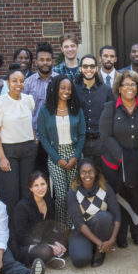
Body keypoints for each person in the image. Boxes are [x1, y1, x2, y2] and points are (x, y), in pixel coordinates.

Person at [99, 70, 138, 246]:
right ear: (119, 88)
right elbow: (105, 135)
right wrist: (121, 155)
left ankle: (137, 232)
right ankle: (120, 234)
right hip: (115, 161)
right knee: (119, 197)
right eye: (126, 84)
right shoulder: (110, 107)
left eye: (133, 84)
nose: (129, 87)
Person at [0, 64, 38, 213]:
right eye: (14, 81)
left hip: (28, 149)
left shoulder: (28, 100)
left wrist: (34, 140)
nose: (19, 84)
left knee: (27, 190)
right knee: (10, 193)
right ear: (8, 83)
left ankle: (27, 228)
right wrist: (2, 157)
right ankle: (11, 231)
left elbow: (29, 122)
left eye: (21, 81)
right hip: (8, 151)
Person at [39, 75, 86, 228]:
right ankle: (60, 228)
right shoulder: (45, 111)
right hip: (55, 155)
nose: (66, 91)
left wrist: (75, 157)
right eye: (62, 88)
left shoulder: (77, 110)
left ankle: (74, 226)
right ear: (55, 89)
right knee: (60, 196)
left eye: (69, 88)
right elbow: (43, 138)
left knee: (73, 194)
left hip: (74, 154)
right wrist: (57, 158)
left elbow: (81, 135)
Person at [67, 159, 121, 268]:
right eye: (83, 172)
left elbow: (117, 216)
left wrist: (112, 239)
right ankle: (96, 245)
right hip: (81, 231)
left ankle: (99, 251)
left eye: (90, 171)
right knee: (79, 261)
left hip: (100, 227)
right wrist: (100, 243)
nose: (87, 175)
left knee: (103, 217)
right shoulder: (73, 192)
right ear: (79, 174)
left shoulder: (105, 188)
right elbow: (79, 223)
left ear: (96, 173)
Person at [11, 171, 68, 268]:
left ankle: (50, 258)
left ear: (47, 184)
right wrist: (49, 245)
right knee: (45, 250)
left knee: (66, 237)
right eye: (36, 185)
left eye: (43, 184)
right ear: (30, 188)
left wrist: (55, 242)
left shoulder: (48, 201)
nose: (40, 188)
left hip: (43, 239)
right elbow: (22, 237)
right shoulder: (22, 207)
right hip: (27, 244)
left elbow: (50, 227)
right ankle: (49, 257)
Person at [74, 54, 115, 164]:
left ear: (96, 68)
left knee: (102, 176)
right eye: (85, 66)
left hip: (101, 141)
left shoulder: (106, 90)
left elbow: (111, 117)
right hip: (80, 142)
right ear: (80, 68)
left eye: (92, 66)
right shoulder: (73, 90)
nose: (89, 70)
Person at [23, 42, 56, 136]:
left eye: (48, 60)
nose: (45, 62)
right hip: (35, 135)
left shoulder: (59, 81)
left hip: (55, 135)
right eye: (41, 60)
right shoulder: (27, 83)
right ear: (36, 62)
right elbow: (24, 111)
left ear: (53, 62)